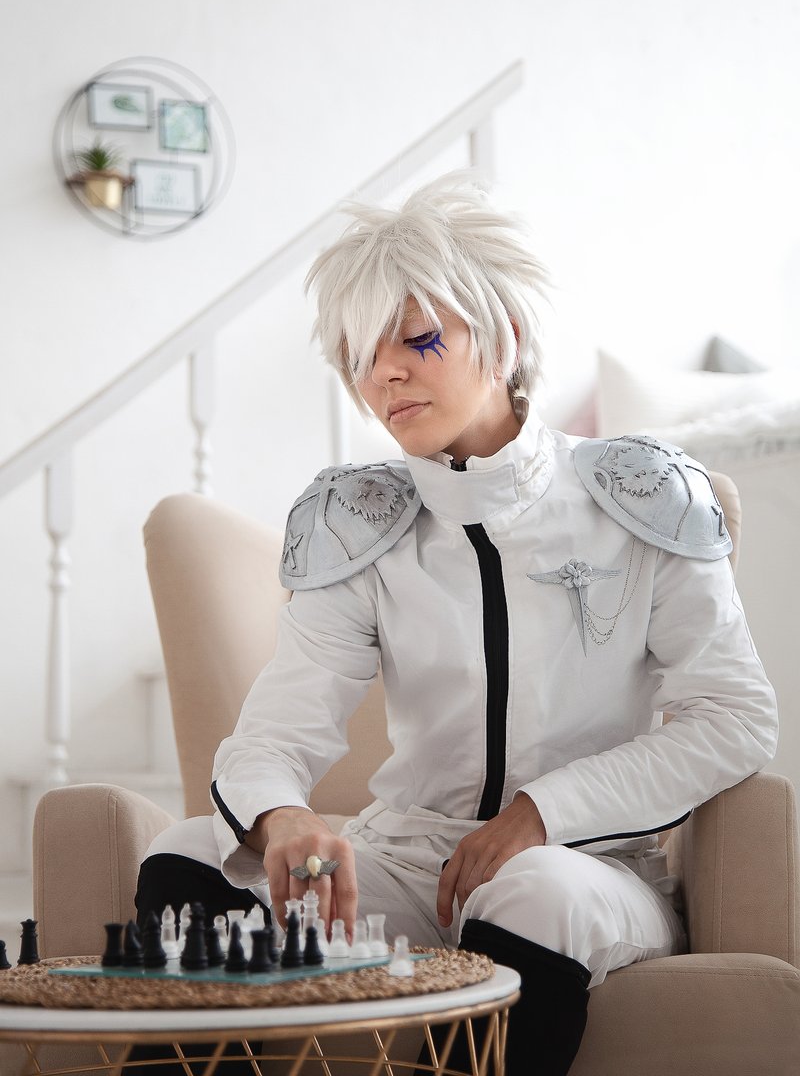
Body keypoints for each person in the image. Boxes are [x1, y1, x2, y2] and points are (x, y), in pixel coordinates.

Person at [136, 171, 778, 1075]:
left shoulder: (643, 499)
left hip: (587, 869)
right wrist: (281, 818)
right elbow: (274, 734)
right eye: (360, 356)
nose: (384, 373)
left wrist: (541, 814)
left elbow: (734, 717)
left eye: (417, 338)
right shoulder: (358, 526)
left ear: (503, 334)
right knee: (188, 855)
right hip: (405, 866)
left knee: (535, 889)